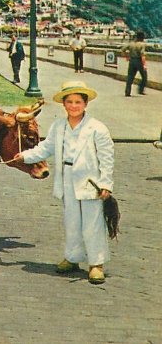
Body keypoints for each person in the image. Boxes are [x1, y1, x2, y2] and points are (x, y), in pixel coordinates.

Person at [15, 80, 114, 284]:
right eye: (69, 101)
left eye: (78, 102)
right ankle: (72, 257)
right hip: (67, 178)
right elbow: (46, 148)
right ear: (64, 104)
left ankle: (96, 263)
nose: (74, 106)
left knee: (92, 223)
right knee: (72, 222)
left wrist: (106, 184)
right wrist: (24, 156)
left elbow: (106, 158)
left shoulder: (97, 128)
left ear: (85, 104)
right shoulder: (59, 126)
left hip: (90, 181)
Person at [122, 31, 148, 97]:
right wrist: (144, 65)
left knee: (130, 77)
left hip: (132, 61)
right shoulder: (142, 44)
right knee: (144, 76)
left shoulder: (131, 44)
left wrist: (127, 57)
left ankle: (127, 92)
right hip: (139, 61)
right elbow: (142, 55)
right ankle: (140, 90)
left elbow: (123, 49)